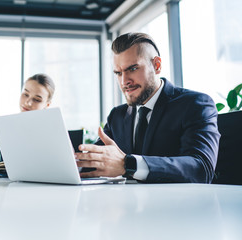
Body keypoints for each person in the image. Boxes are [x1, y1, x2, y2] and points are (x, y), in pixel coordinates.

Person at [75, 32, 220, 183]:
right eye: (118, 73)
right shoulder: (117, 116)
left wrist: (128, 164)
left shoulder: (195, 105)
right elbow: (92, 164)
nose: (124, 81)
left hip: (176, 204)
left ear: (156, 65)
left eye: (132, 69)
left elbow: (201, 169)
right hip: (127, 204)